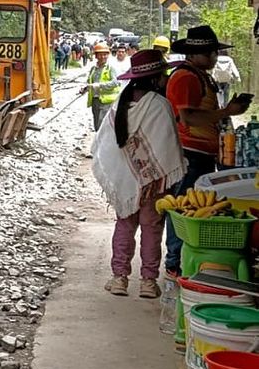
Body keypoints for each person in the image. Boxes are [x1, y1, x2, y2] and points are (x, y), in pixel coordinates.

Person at [91, 50, 185, 299]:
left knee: (124, 225)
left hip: (124, 181)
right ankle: (147, 282)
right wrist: (156, 176)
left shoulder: (120, 102)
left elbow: (105, 145)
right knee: (152, 230)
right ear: (155, 78)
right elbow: (167, 146)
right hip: (154, 183)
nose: (167, 78)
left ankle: (119, 278)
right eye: (164, 73)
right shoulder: (159, 104)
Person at [164, 25, 251, 276]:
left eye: (214, 52)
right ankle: (175, 263)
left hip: (201, 152)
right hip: (189, 152)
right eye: (208, 53)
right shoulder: (186, 77)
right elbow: (188, 117)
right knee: (184, 210)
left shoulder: (201, 76)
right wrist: (227, 112)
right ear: (192, 54)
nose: (213, 57)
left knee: (190, 208)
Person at [80, 42, 120, 131]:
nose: (102, 57)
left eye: (105, 55)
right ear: (96, 56)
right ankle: (98, 143)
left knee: (103, 125)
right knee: (97, 125)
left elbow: (115, 83)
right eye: (100, 55)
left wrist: (99, 86)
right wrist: (85, 88)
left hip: (107, 101)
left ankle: (103, 143)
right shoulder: (93, 69)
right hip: (95, 100)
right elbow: (89, 82)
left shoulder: (110, 68)